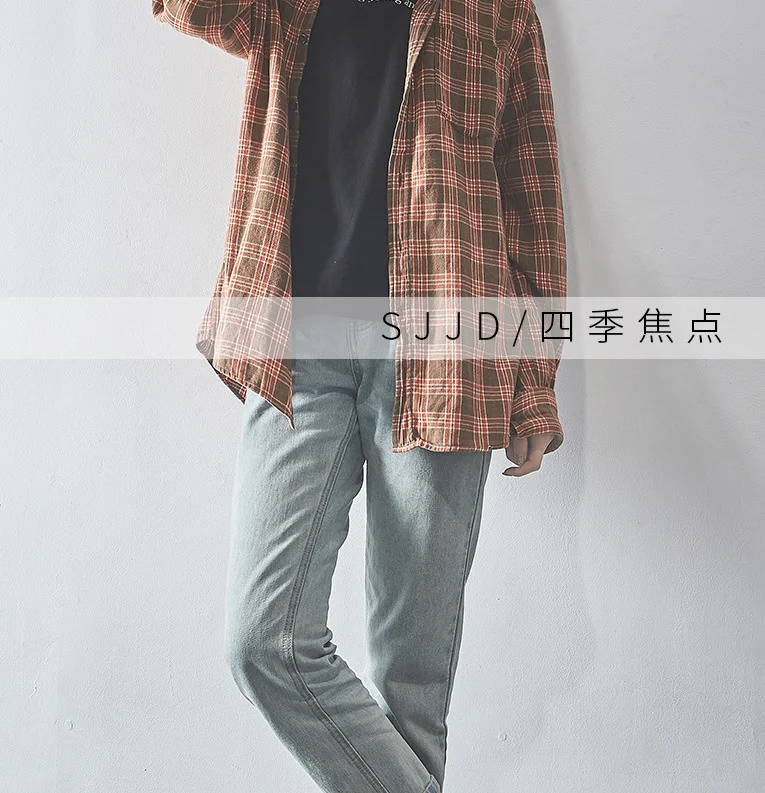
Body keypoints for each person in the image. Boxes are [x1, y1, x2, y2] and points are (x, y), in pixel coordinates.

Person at [152, 0, 567, 790]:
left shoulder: (499, 12)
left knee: (412, 685)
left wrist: (534, 386)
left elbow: (533, 206)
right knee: (264, 642)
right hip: (299, 354)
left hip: (444, 360)